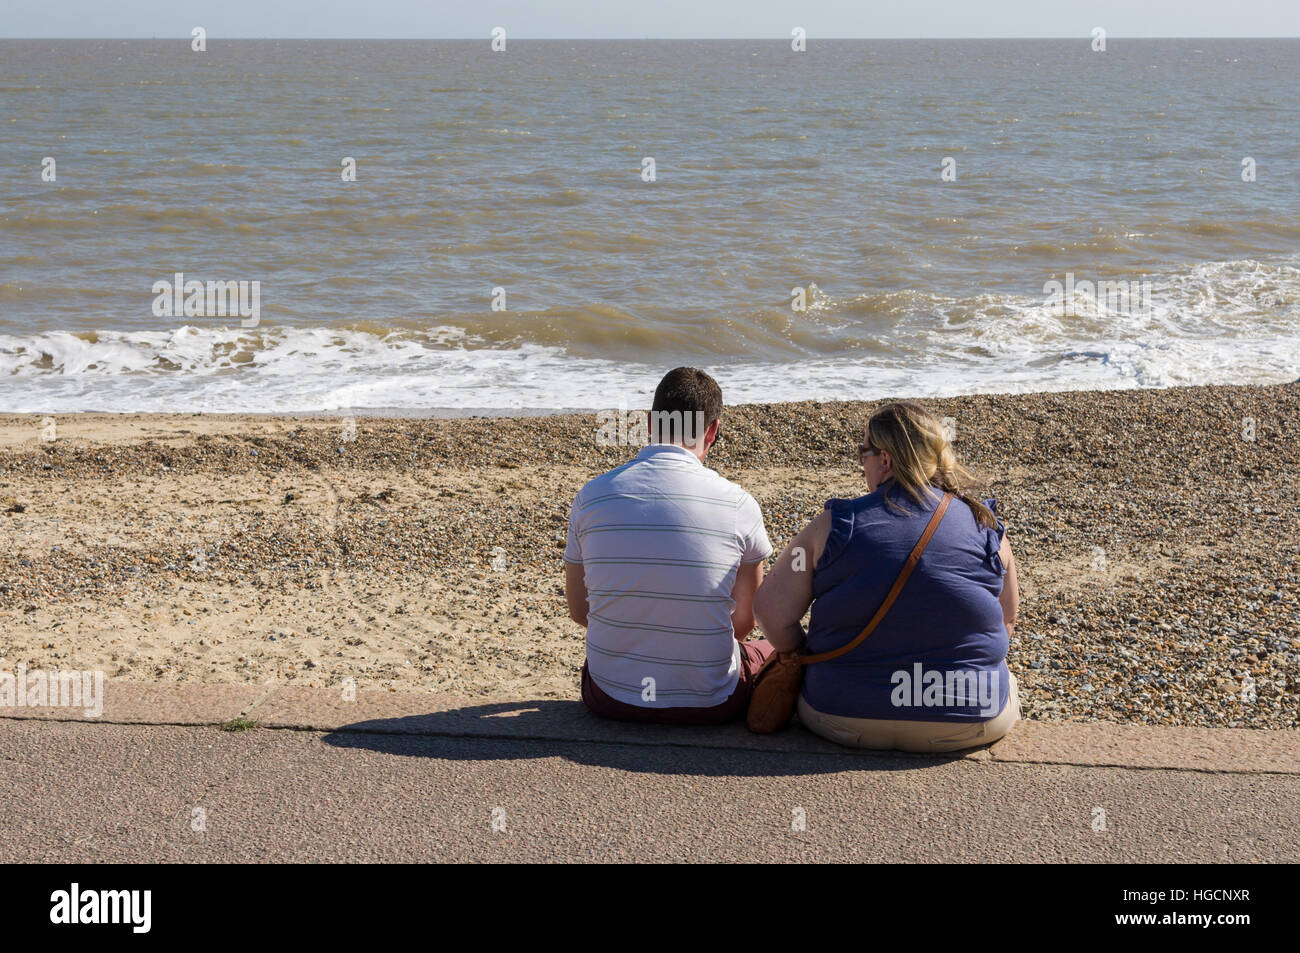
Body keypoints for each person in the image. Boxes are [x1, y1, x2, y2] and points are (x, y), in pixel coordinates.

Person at [753, 401, 1020, 752]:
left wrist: (805, 652)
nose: (861, 462)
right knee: (1005, 679)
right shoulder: (985, 525)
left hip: (842, 714)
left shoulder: (834, 526)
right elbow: (1006, 620)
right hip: (966, 720)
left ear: (885, 460)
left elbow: (770, 611)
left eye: (862, 452)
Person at [564, 367, 774, 723]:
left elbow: (580, 611)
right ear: (712, 431)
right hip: (712, 702)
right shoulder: (739, 505)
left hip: (610, 696)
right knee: (771, 649)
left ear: (650, 423)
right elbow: (743, 623)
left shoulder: (592, 497)